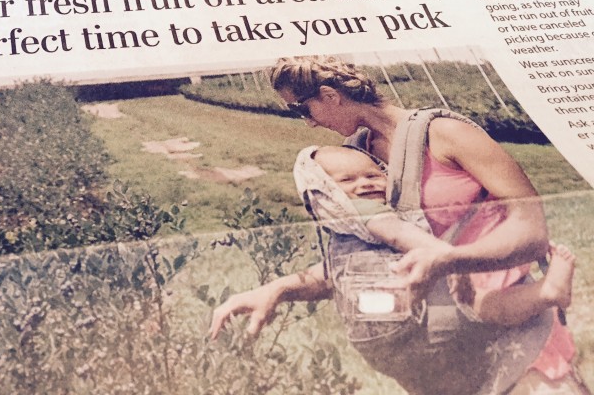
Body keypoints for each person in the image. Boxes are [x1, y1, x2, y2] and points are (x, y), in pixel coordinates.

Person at [209, 56, 589, 395]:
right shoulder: (357, 156)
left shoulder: (444, 134)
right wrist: (279, 288)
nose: (307, 122)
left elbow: (532, 231)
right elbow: (372, 257)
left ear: (329, 96)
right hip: (452, 358)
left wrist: (451, 260)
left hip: (517, 338)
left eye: (301, 109)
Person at [307, 144, 576, 328]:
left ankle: (547, 293)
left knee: (482, 306)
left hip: (391, 294)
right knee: (481, 304)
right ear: (327, 191)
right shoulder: (365, 211)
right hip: (398, 290)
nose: (364, 183)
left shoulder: (350, 219)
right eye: (346, 180)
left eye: (373, 175)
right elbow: (398, 233)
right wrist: (450, 261)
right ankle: (546, 293)